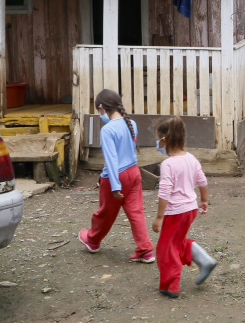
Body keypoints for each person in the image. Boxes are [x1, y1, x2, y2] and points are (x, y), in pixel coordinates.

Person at [78, 89, 155, 263]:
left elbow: (111, 159)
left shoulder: (107, 130)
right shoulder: (131, 124)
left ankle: (92, 240)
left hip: (116, 176)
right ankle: (145, 250)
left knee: (105, 213)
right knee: (136, 212)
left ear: (101, 108)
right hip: (134, 172)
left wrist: (115, 185)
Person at [151, 116, 217, 298]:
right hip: (191, 209)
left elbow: (164, 192)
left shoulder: (168, 164)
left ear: (164, 140)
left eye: (158, 139)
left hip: (175, 212)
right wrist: (204, 200)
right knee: (176, 241)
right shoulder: (191, 158)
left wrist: (159, 216)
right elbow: (202, 180)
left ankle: (172, 285)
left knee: (166, 248)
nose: (157, 143)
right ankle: (205, 260)